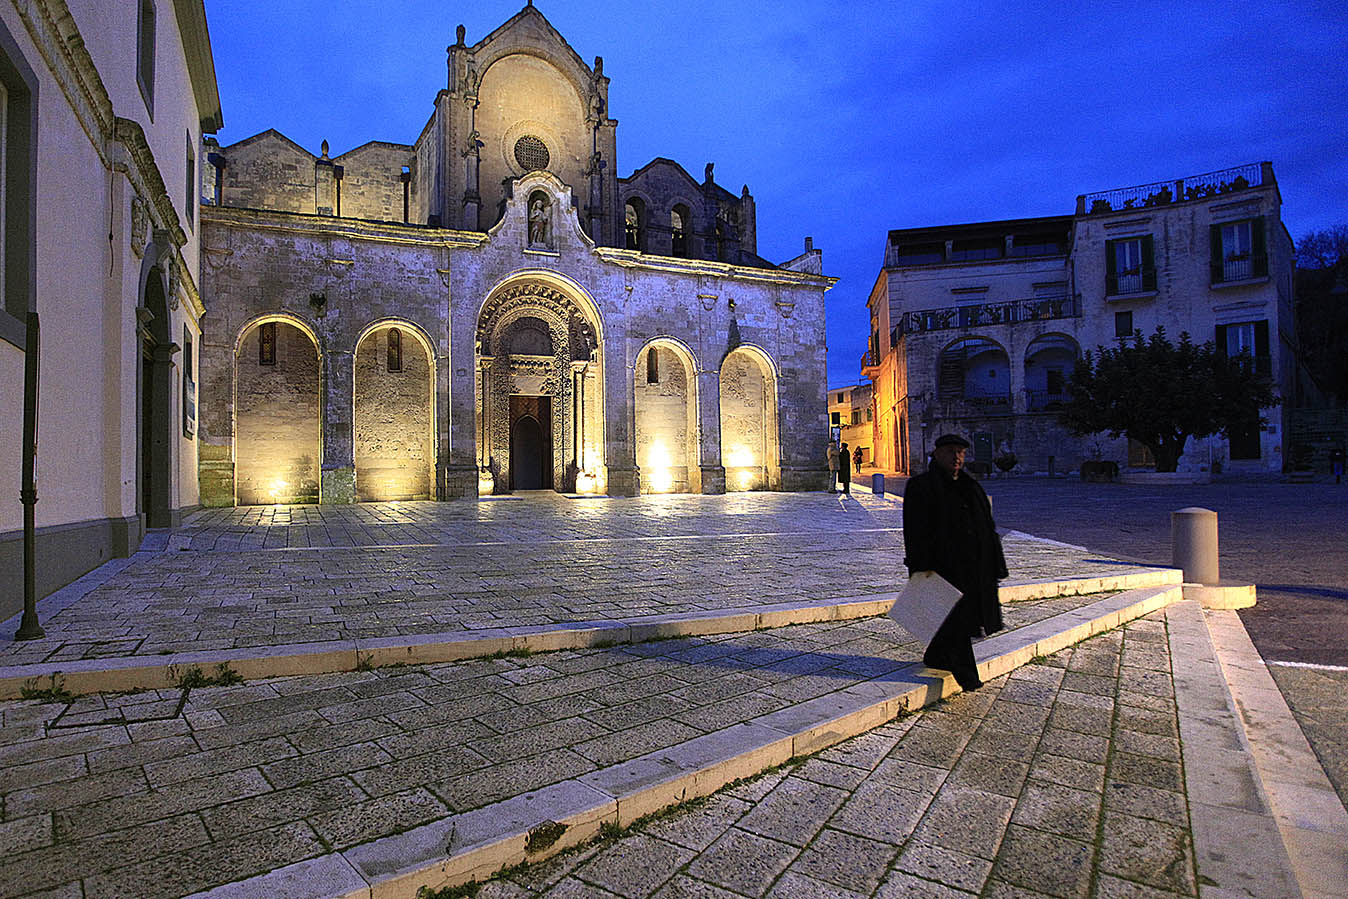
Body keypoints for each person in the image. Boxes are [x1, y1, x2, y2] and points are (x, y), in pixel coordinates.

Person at [902, 433, 1008, 691]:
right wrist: (919, 565)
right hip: (942, 567)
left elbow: (988, 526)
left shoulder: (971, 486)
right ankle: (968, 676)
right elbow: (914, 530)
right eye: (951, 451)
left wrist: (996, 562)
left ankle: (936, 655)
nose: (956, 457)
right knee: (956, 621)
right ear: (936, 454)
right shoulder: (921, 486)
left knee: (959, 619)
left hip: (974, 567)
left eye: (960, 452)